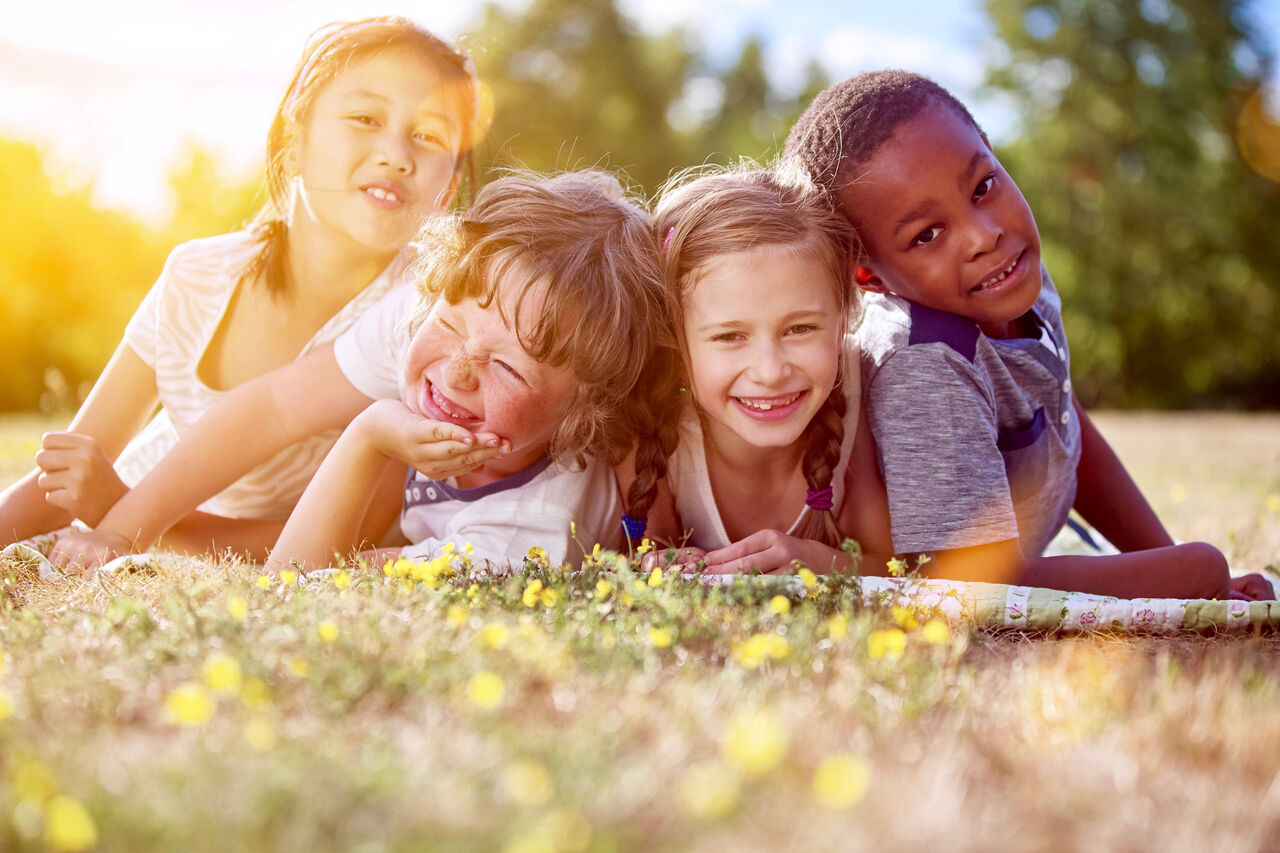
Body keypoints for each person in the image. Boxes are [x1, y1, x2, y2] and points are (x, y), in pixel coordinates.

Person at [0, 16, 483, 558]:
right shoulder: (196, 276)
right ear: (292, 143)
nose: (397, 152)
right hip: (151, 494)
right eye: (366, 117)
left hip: (163, 519)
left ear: (449, 189)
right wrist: (114, 508)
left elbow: (355, 537)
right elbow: (66, 479)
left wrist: (133, 517)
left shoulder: (425, 318)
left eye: (428, 135)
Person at [781, 70, 1273, 600]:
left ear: (993, 153)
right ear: (867, 274)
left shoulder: (1018, 280)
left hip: (1017, 555)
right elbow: (967, 586)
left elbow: (1068, 433)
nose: (984, 235)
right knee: (1200, 565)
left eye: (983, 187)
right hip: (973, 571)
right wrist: (1190, 574)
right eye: (927, 235)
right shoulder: (927, 365)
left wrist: (1161, 552)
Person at [51, 171, 665, 574]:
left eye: (506, 367)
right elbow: (271, 407)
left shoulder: (526, 533)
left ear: (587, 412)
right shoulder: (430, 310)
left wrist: (370, 435)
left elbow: (299, 578)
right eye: (448, 329)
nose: (456, 373)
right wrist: (126, 527)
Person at [618, 167, 893, 575]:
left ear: (843, 320)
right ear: (673, 340)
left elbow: (890, 566)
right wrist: (659, 563)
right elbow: (638, 554)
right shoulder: (653, 422)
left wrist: (817, 561)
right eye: (730, 336)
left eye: (800, 329)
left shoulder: (857, 387)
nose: (770, 371)